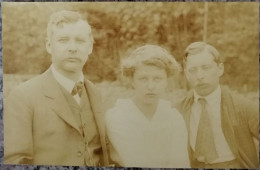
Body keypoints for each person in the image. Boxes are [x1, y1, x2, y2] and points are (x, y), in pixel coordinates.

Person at [4, 10, 109, 166]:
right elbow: (16, 162)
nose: (72, 48)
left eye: (80, 41)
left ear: (90, 47)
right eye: (63, 40)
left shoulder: (95, 93)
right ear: (49, 45)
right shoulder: (23, 96)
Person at [105, 45, 190, 168]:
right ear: (132, 81)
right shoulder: (117, 116)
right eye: (143, 79)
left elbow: (181, 163)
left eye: (157, 79)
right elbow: (135, 161)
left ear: (166, 81)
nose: (150, 86)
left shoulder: (173, 118)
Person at [177, 41, 259, 168]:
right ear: (187, 74)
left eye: (206, 68)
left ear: (220, 69)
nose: (199, 76)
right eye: (193, 70)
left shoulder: (244, 107)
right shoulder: (178, 110)